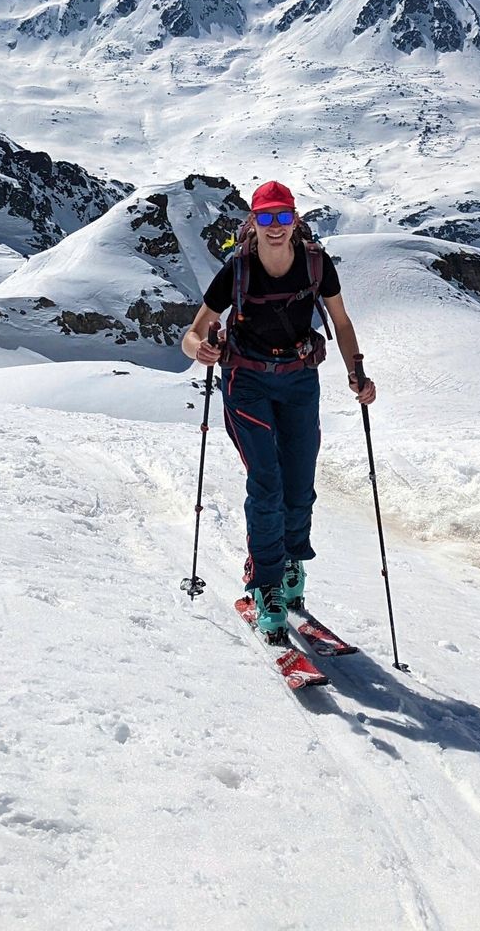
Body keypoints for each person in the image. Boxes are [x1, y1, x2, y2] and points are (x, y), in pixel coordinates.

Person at [180, 180, 376, 642]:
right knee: (267, 482)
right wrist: (199, 351)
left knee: (300, 481)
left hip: (299, 379)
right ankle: (266, 585)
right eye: (265, 218)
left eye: (282, 217)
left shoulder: (314, 264)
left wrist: (357, 373)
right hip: (245, 382)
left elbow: (341, 322)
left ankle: (292, 567)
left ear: (295, 219)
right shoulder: (238, 270)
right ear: (253, 220)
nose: (274, 226)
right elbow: (194, 331)